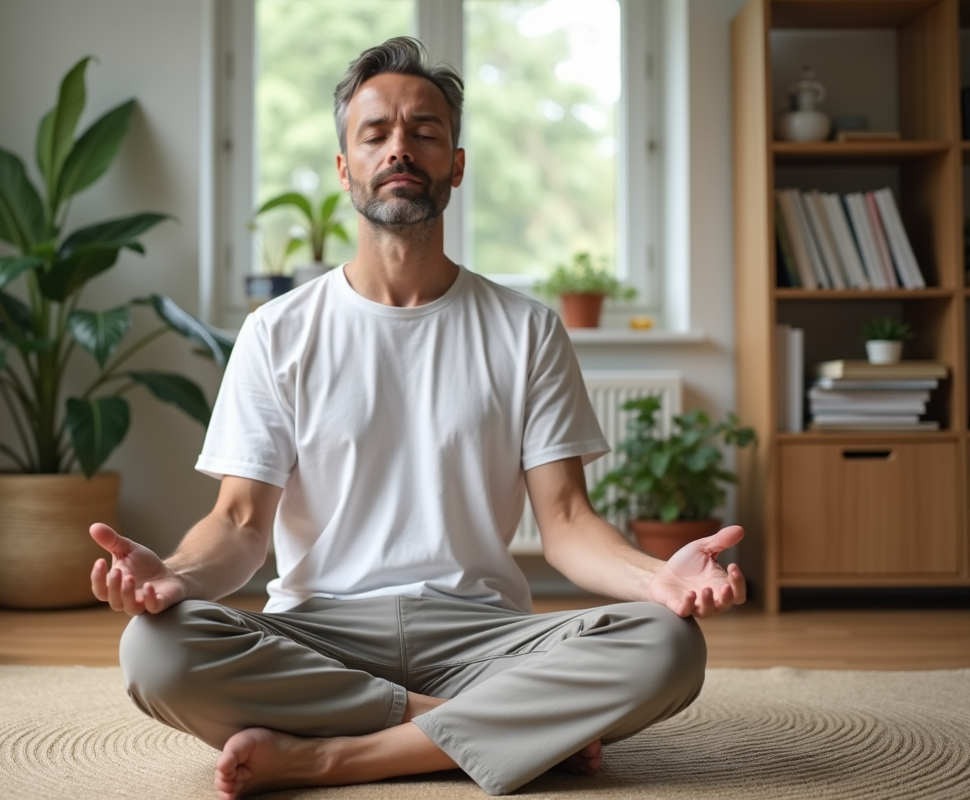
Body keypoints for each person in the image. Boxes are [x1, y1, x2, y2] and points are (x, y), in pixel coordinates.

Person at [89, 36, 745, 799]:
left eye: (424, 131)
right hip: (320, 630)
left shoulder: (526, 329)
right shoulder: (278, 331)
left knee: (668, 646)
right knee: (155, 651)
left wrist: (658, 577)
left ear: (456, 165)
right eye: (375, 133)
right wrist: (171, 576)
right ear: (345, 169)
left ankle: (333, 756)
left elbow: (566, 522)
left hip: (484, 633)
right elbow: (238, 525)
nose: (400, 147)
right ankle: (490, 729)